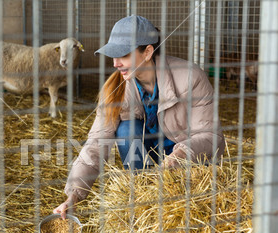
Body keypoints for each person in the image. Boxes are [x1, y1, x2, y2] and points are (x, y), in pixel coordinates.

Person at [53, 15, 225, 219]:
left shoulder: (190, 77)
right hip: (148, 154)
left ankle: (176, 194)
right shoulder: (115, 89)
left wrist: (178, 157)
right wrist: (73, 196)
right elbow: (96, 142)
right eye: (113, 56)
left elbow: (209, 136)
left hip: (186, 155)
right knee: (125, 130)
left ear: (148, 52)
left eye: (123, 54)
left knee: (186, 204)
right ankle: (144, 196)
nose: (116, 63)